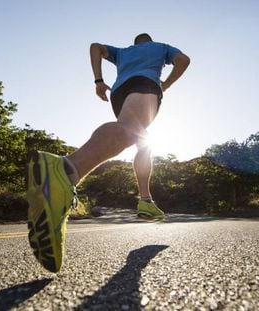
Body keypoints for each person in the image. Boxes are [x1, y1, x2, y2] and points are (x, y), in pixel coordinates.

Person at [26, 33, 190, 272]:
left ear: (136, 43)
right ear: (150, 41)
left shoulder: (123, 52)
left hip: (119, 92)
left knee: (143, 142)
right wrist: (164, 85)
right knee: (130, 131)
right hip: (146, 85)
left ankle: (145, 200)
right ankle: (66, 169)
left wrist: (98, 81)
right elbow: (183, 60)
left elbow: (95, 47)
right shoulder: (161, 48)